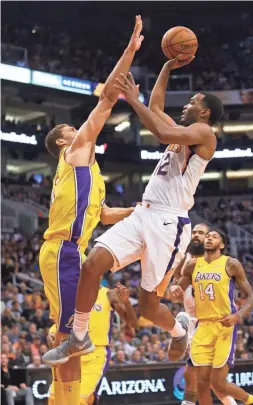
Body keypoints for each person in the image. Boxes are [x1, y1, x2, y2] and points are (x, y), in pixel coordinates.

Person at [43, 53, 224, 365]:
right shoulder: (185, 132)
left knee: (149, 309)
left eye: (192, 102)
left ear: (205, 112)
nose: (185, 105)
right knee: (91, 266)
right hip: (144, 213)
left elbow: (161, 131)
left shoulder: (205, 134)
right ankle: (79, 337)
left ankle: (179, 331)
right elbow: (155, 110)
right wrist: (166, 67)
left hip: (169, 223)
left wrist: (132, 99)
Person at [40, 16, 144, 405]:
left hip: (69, 251)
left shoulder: (90, 173)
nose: (79, 127)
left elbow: (102, 216)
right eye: (73, 126)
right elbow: (106, 99)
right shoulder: (75, 151)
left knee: (67, 338)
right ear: (65, 140)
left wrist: (139, 211)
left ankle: (63, 395)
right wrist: (130, 51)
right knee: (69, 340)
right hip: (64, 251)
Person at [168, 229, 253, 405]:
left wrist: (237, 316)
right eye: (208, 236)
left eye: (215, 237)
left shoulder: (231, 264)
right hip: (202, 326)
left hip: (224, 325)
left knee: (218, 383)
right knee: (202, 383)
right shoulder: (192, 265)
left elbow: (251, 298)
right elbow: (175, 295)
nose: (210, 238)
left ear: (222, 245)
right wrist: (173, 289)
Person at [47, 283, 137, 405]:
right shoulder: (71, 294)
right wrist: (52, 332)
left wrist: (126, 302)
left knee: (78, 400)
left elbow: (132, 323)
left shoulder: (108, 294)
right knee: (54, 399)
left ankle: (90, 398)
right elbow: (62, 320)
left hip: (95, 354)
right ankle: (92, 398)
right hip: (71, 352)